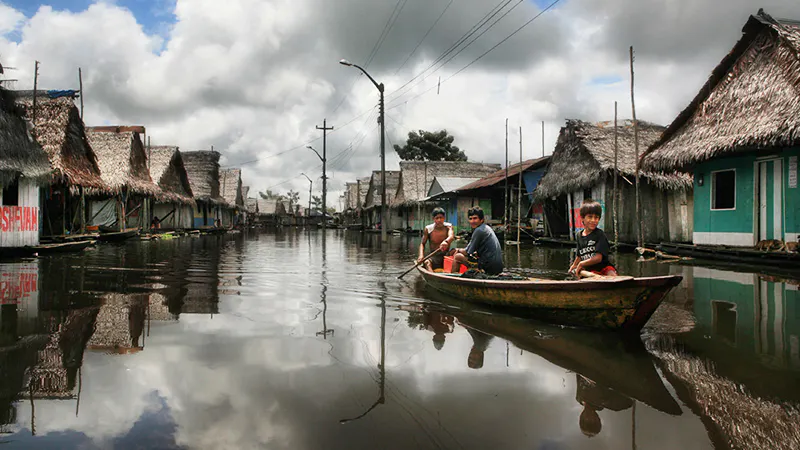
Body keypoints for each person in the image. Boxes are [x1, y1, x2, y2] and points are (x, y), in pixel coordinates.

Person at [568, 199, 618, 277]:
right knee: (582, 272)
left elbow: (598, 258)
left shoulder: (599, 234)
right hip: (590, 271)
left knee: (611, 274)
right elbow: (579, 255)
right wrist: (574, 265)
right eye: (590, 217)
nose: (593, 220)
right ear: (582, 218)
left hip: (604, 267)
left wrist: (581, 263)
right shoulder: (579, 235)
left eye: (596, 217)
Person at [451, 206, 503, 275]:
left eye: (475, 218)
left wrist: (457, 250)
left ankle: (453, 279)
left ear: (481, 219)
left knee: (457, 257)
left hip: (488, 267)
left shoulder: (479, 230)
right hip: (498, 267)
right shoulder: (486, 228)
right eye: (470, 219)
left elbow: (467, 252)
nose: (472, 221)